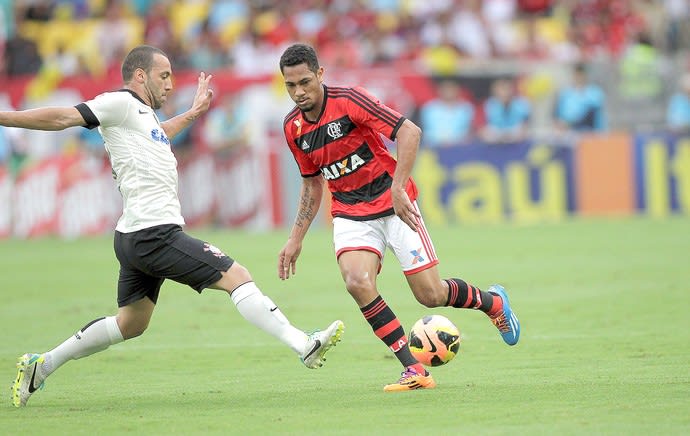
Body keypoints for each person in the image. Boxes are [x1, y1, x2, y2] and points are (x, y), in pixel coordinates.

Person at [3, 45, 344, 408]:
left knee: (131, 323)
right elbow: (62, 118)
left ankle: (42, 365)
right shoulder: (118, 103)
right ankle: (302, 345)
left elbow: (160, 132)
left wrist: (194, 112)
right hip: (155, 234)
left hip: (134, 235)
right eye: (163, 75)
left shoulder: (141, 116)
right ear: (139, 76)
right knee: (236, 275)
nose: (169, 84)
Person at [277, 43, 520, 392]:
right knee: (357, 282)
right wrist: (295, 237)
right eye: (290, 85)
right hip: (349, 213)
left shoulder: (349, 100)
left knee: (431, 295)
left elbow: (410, 131)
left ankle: (493, 303)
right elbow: (312, 184)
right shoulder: (293, 128)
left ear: (319, 75)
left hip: (394, 205)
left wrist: (399, 187)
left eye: (304, 82)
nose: (299, 92)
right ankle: (415, 370)